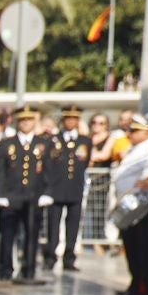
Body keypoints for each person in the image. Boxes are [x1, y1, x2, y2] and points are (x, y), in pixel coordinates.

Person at [0, 106, 53, 283]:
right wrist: (0, 194)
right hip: (11, 196)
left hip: (33, 197)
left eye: (29, 120)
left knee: (32, 234)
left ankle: (29, 270)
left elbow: (49, 171)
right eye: (23, 120)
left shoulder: (43, 143)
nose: (26, 123)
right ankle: (5, 269)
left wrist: (47, 192)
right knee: (8, 234)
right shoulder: (7, 144)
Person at [42, 105, 91, 272]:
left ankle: (69, 258)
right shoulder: (54, 140)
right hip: (57, 188)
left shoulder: (84, 141)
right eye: (68, 118)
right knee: (53, 225)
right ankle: (50, 256)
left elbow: (84, 162)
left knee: (73, 225)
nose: (71, 121)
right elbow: (48, 164)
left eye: (74, 118)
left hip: (75, 188)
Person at [112, 116, 148, 295]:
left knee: (146, 254)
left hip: (144, 207)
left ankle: (146, 288)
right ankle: (138, 285)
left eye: (135, 131)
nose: (130, 134)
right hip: (134, 207)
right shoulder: (137, 149)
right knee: (135, 251)